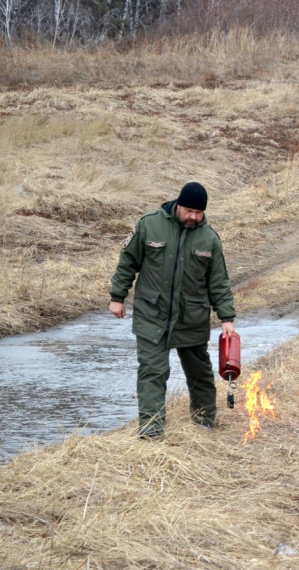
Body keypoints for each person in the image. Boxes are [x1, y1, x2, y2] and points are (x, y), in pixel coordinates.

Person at [109, 182, 236, 439]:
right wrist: (117, 297)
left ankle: (203, 422)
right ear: (178, 205)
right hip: (151, 314)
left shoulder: (209, 238)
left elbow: (218, 281)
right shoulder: (149, 225)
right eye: (189, 210)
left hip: (192, 318)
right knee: (153, 371)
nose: (193, 217)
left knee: (199, 373)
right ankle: (151, 430)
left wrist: (226, 317)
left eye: (198, 213)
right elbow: (127, 262)